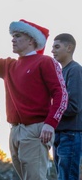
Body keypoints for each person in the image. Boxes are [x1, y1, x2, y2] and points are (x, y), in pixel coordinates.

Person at [0, 5, 68, 180]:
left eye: (18, 36)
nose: (13, 40)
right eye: (13, 36)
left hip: (36, 130)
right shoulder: (8, 66)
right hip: (15, 131)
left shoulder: (45, 62)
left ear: (31, 40)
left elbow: (61, 94)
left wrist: (50, 123)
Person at [51, 33, 82, 180]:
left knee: (68, 177)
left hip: (70, 134)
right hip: (58, 134)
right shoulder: (59, 73)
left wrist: (51, 111)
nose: (53, 51)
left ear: (69, 48)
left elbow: (74, 106)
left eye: (57, 46)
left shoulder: (75, 70)